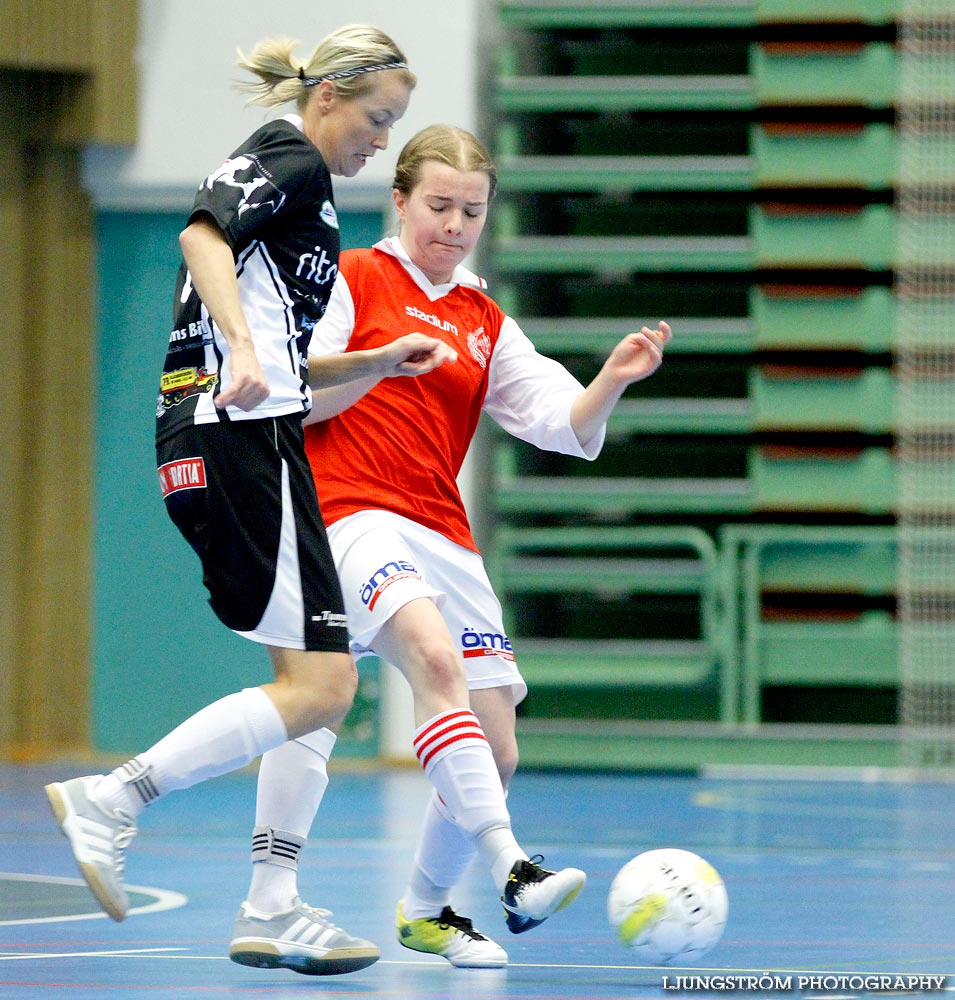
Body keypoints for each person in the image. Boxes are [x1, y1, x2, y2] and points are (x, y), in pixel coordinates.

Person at [43, 26, 446, 978]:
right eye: (378, 118)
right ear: (329, 96)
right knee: (324, 685)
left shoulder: (305, 192)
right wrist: (248, 350)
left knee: (319, 687)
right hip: (241, 443)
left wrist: (375, 361)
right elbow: (199, 233)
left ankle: (270, 906)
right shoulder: (289, 153)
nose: (381, 140)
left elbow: (281, 351)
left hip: (244, 437)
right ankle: (116, 798)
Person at [248, 124, 671, 968]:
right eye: (437, 205)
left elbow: (558, 424)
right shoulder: (354, 277)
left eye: (470, 210)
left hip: (441, 529)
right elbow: (303, 398)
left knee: (497, 744)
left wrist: (609, 382)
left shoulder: (482, 317)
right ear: (399, 201)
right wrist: (380, 362)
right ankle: (511, 867)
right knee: (421, 668)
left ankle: (427, 909)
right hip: (352, 511)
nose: (453, 223)